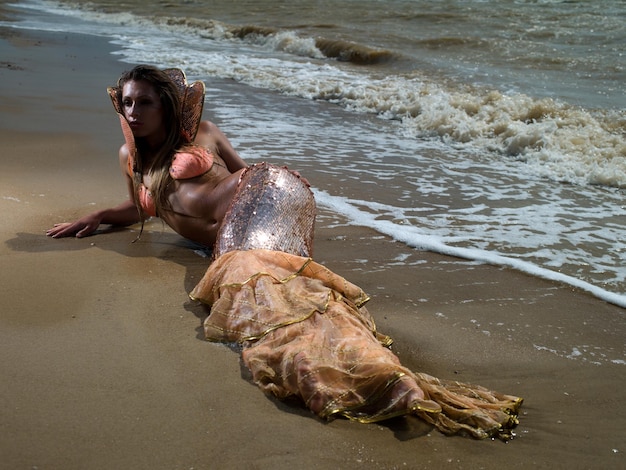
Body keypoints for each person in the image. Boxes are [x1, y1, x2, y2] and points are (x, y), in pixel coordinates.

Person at [48, 65, 522, 440]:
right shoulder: (128, 158)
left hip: (265, 194)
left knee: (260, 292)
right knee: (269, 300)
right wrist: (100, 216)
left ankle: (375, 375)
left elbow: (249, 173)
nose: (133, 111)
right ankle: (380, 376)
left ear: (166, 106)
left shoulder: (205, 133)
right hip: (231, 235)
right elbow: (141, 207)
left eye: (145, 102)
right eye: (127, 102)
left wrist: (284, 212)